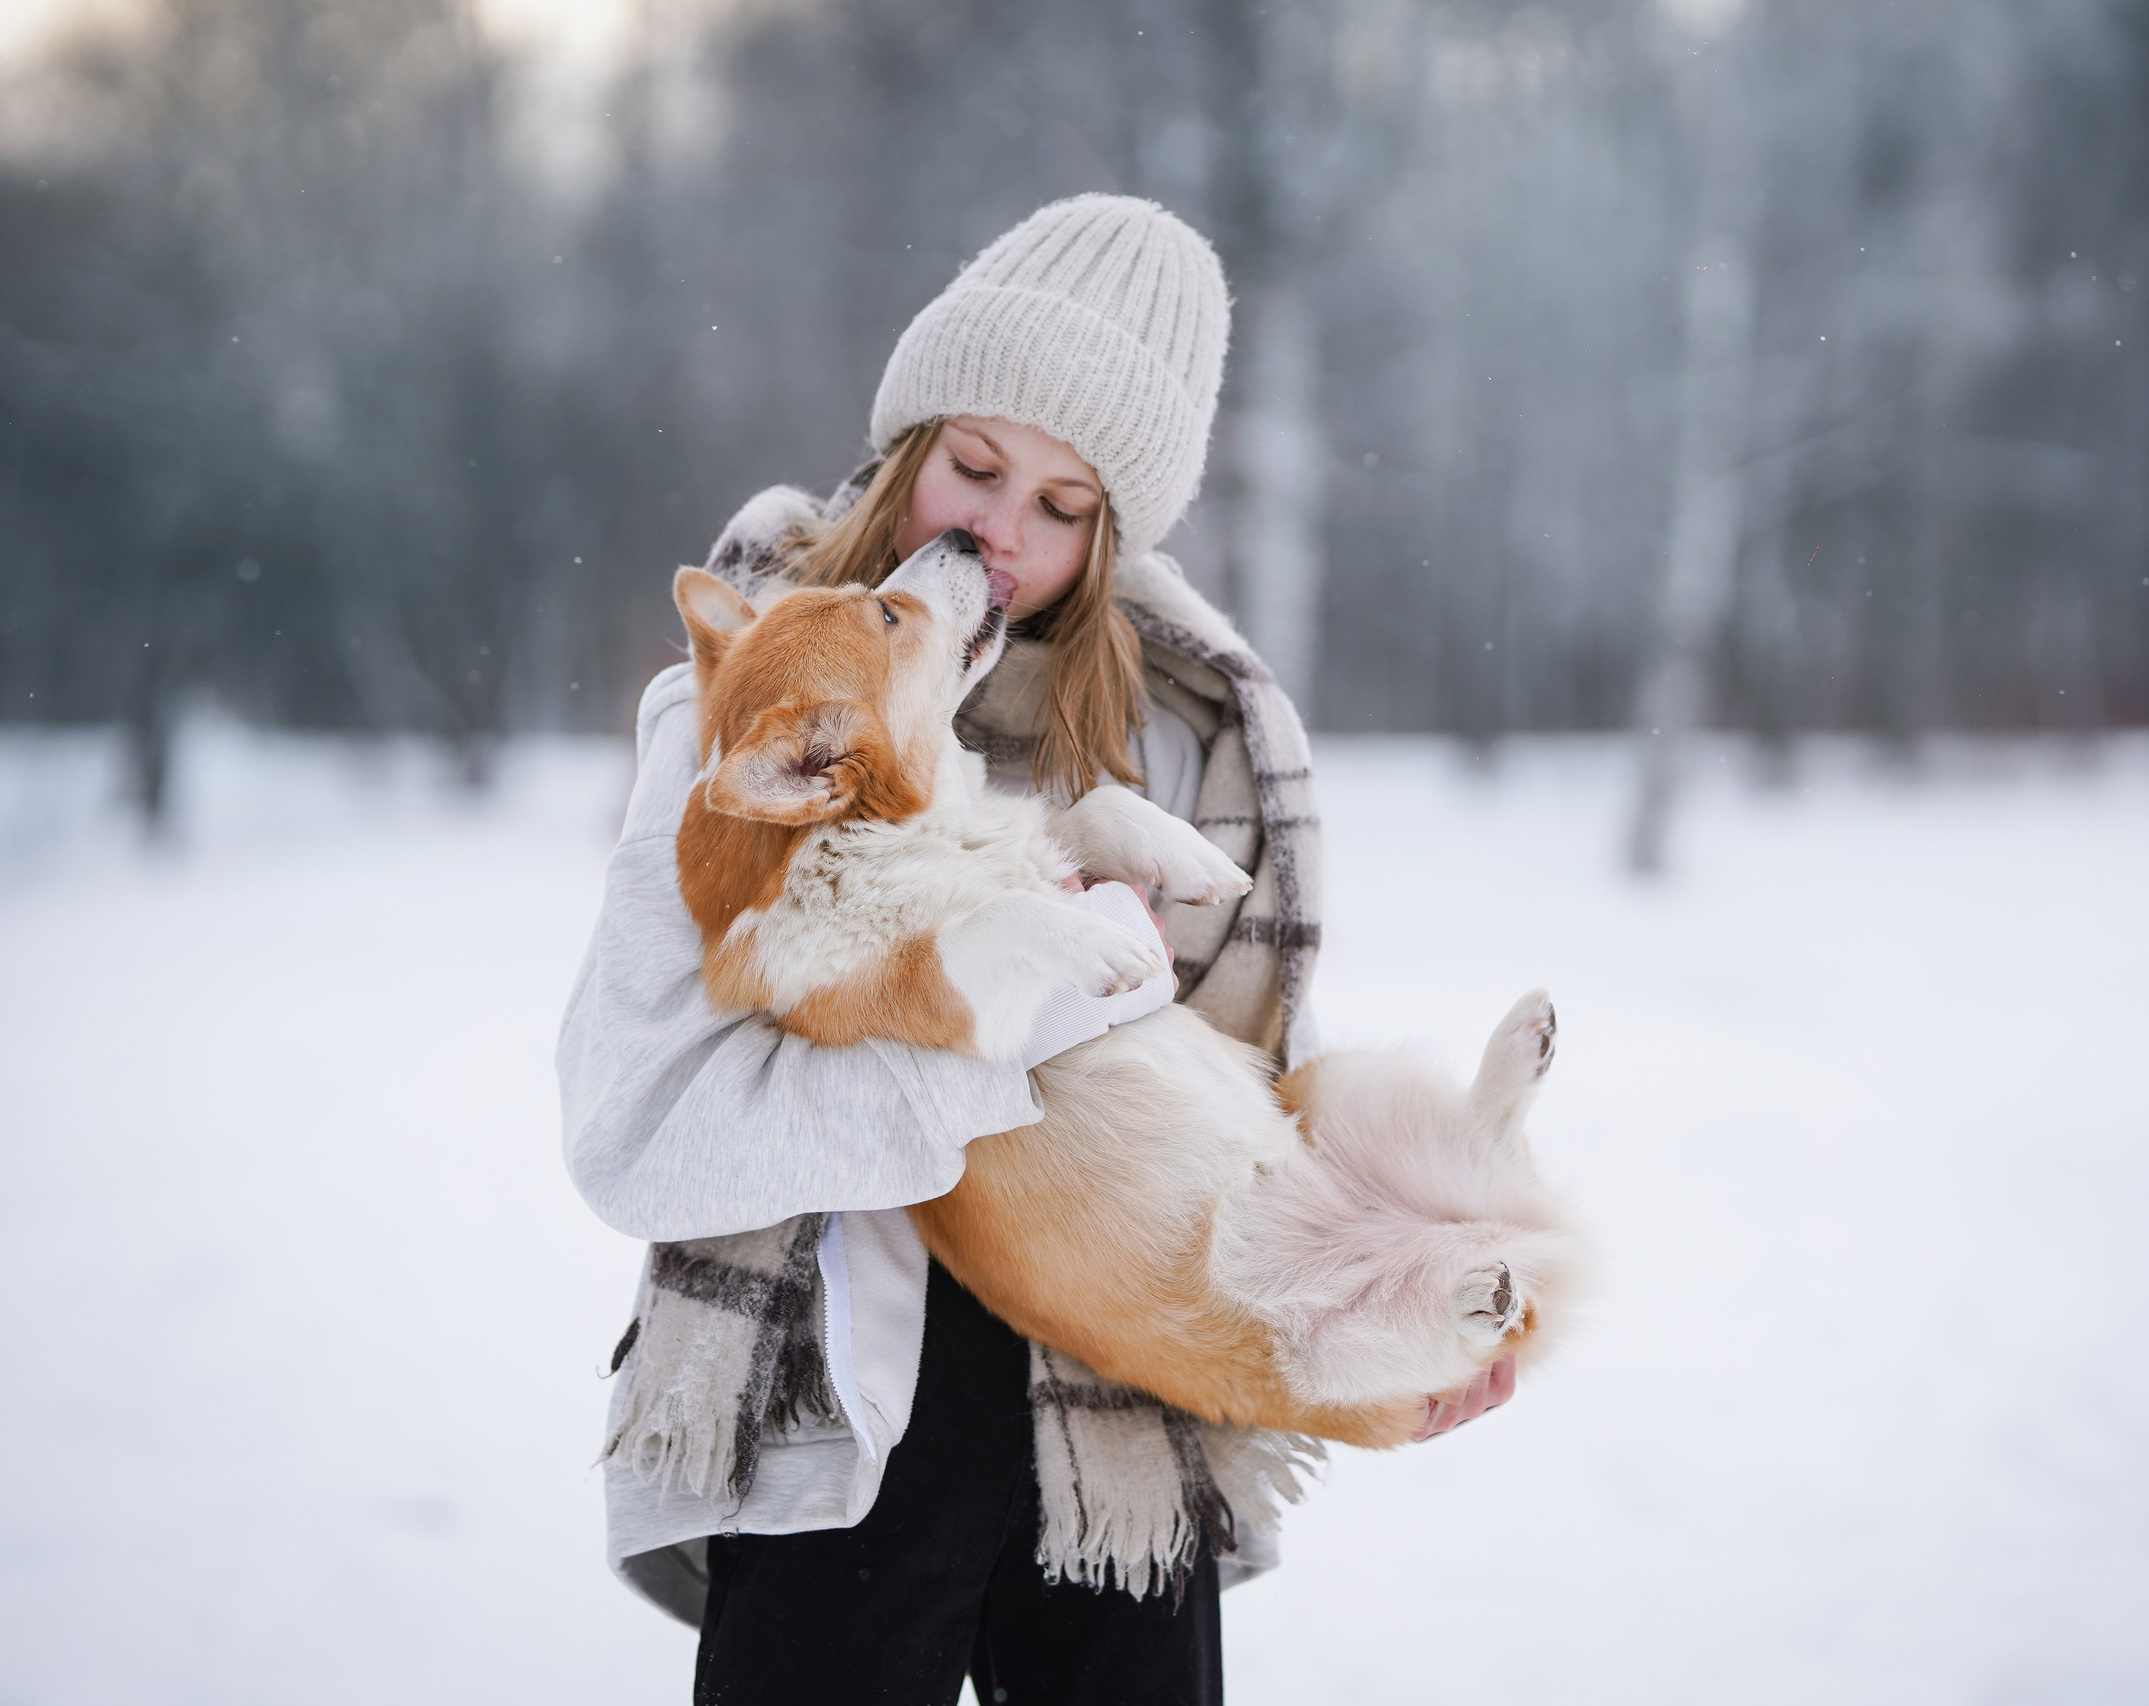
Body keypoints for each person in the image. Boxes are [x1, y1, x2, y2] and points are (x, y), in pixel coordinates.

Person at [559, 193, 1510, 1706]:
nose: (1002, 533)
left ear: (1116, 530)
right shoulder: (758, 712)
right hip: (844, 1433)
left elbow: (1242, 1079)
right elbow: (634, 1134)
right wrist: (987, 1056)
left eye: (1064, 506)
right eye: (978, 466)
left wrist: (1406, 1299)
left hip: (1120, 1438)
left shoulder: (1189, 738)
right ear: (908, 442)